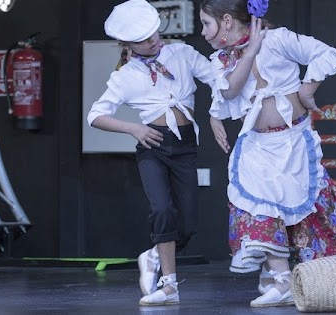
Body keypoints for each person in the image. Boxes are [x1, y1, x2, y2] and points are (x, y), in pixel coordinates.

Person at [199, 0, 336, 308]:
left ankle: (317, 279)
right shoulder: (221, 59)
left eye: (206, 23)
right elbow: (229, 91)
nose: (203, 32)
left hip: (293, 142)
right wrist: (251, 52)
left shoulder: (279, 39)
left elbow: (324, 52)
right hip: (257, 145)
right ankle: (281, 280)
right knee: (258, 204)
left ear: (227, 21)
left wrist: (307, 89)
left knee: (306, 213)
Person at [87, 0, 215, 306]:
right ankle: (169, 286)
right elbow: (95, 115)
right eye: (144, 39)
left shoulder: (181, 54)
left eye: (154, 33)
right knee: (161, 210)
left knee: (188, 225)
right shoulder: (125, 76)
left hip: (185, 146)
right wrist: (134, 129)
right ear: (125, 44)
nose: (154, 40)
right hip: (153, 147)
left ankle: (153, 255)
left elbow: (216, 78)